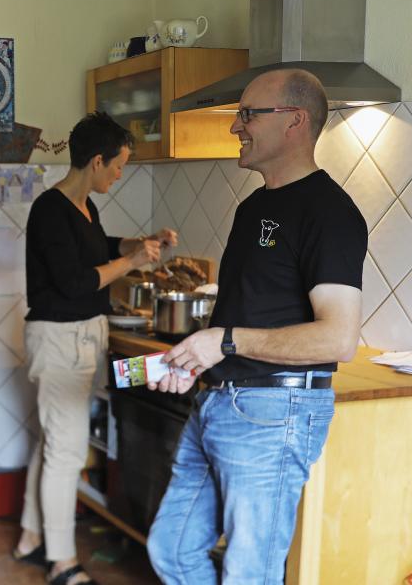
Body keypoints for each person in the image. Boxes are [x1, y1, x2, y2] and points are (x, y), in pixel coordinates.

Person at [145, 68, 367, 584]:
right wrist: (197, 362)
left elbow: (338, 338)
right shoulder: (252, 208)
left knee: (251, 572)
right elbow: (249, 313)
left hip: (276, 413)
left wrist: (222, 341)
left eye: (248, 114)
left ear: (294, 120)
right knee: (171, 549)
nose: (235, 127)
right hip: (219, 401)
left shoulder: (330, 213)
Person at [12, 111, 176, 585]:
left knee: (53, 442)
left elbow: (95, 245)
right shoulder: (50, 208)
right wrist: (130, 262)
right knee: (65, 452)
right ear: (97, 160)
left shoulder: (84, 207)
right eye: (119, 165)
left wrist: (141, 244)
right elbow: (75, 281)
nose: (120, 175)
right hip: (60, 338)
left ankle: (29, 536)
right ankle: (61, 563)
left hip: (82, 337)